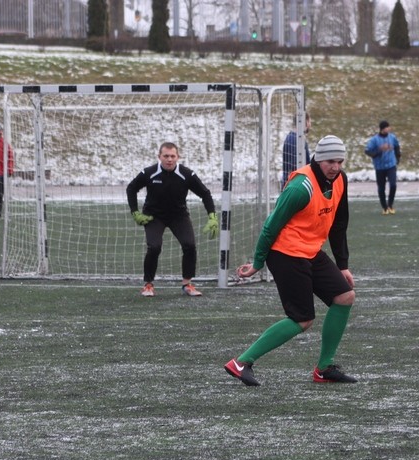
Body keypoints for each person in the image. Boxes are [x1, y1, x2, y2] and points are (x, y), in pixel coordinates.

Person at [224, 135, 357, 386]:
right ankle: (241, 362)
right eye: (330, 161)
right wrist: (257, 263)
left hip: (309, 250)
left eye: (340, 161)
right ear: (318, 158)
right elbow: (270, 226)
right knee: (302, 319)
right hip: (285, 253)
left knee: (345, 297)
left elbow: (340, 224)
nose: (335, 167)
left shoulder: (341, 180)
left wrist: (343, 265)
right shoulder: (301, 186)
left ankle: (324, 368)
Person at [126, 142, 219, 298]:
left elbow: (205, 193)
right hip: (153, 216)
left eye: (172, 156)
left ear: (178, 157)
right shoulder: (149, 173)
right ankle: (148, 285)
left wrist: (212, 216)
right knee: (154, 247)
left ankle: (187, 283)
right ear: (159, 157)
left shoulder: (187, 174)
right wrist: (135, 212)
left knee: (189, 245)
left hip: (178, 215)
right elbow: (131, 188)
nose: (169, 159)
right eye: (166, 156)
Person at [365, 120, 401, 215]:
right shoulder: (374, 140)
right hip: (380, 167)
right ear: (382, 129)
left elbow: (397, 147)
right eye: (386, 127)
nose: (388, 129)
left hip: (391, 165)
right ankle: (384, 207)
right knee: (381, 188)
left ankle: (390, 205)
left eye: (388, 127)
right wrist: (379, 151)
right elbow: (368, 151)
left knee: (393, 185)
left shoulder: (392, 137)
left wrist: (397, 158)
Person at [281, 111, 311, 190]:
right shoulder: (297, 140)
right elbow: (296, 167)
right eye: (309, 122)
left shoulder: (291, 137)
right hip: (295, 187)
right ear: (306, 122)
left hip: (290, 184)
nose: (310, 125)